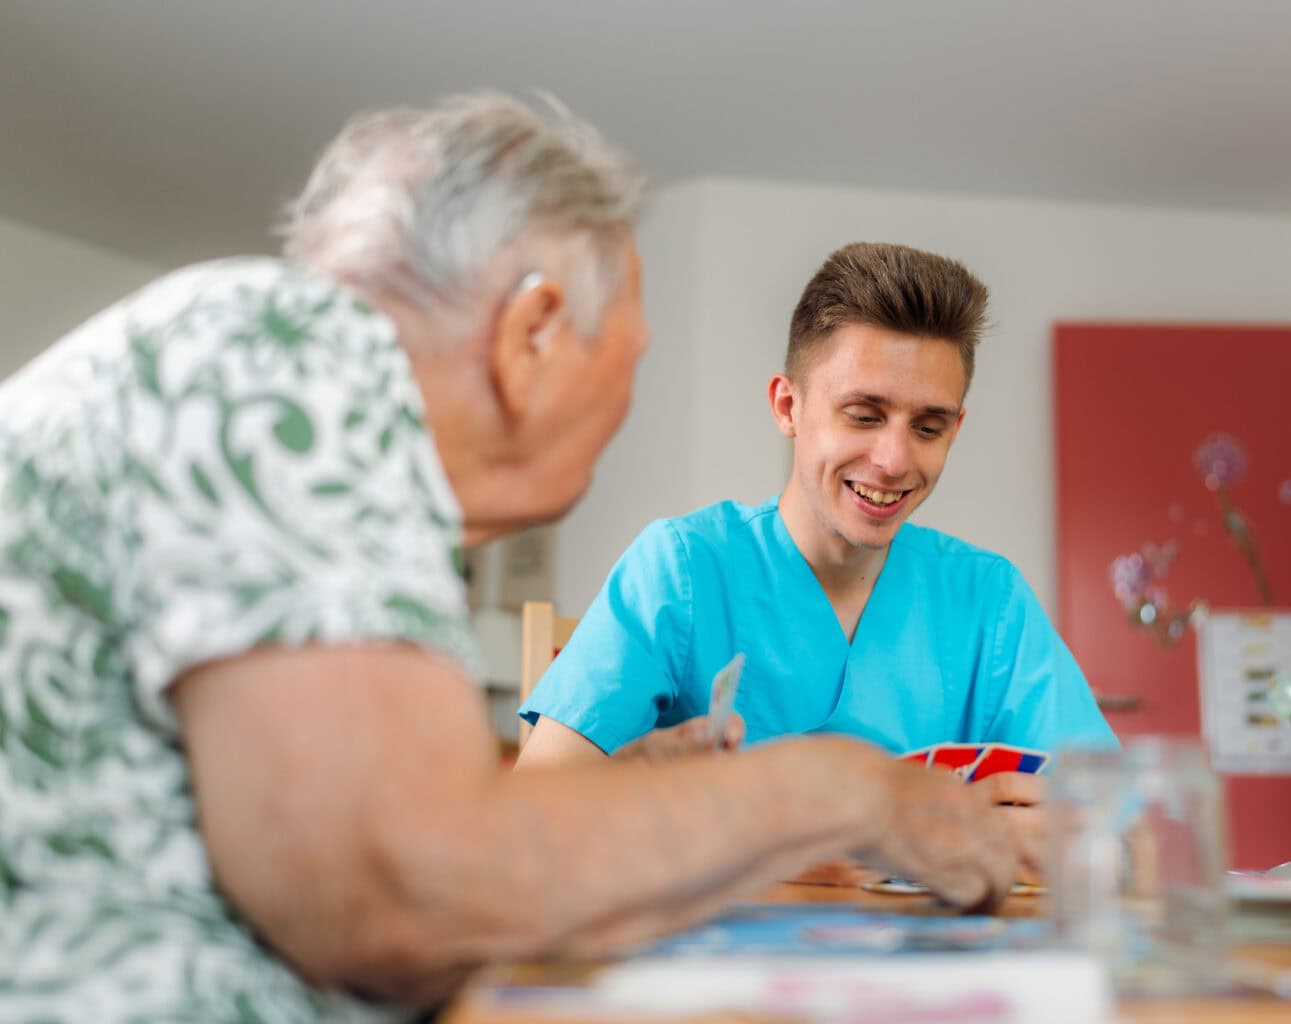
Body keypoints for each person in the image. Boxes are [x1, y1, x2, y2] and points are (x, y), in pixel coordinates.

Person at [0, 96, 1019, 1023]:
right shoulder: (283, 351)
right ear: (533, 332)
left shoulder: (296, 420)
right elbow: (395, 894)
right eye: (630, 356)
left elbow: (380, 846)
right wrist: (843, 790)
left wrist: (631, 787)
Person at [517, 241, 1119, 880]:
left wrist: (1067, 841)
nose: (893, 459)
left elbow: (1130, 840)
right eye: (863, 416)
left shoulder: (987, 601)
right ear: (788, 407)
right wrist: (828, 853)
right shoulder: (684, 570)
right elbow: (533, 821)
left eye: (928, 428)